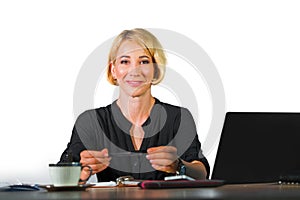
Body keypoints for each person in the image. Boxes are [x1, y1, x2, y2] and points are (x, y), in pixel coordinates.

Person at [59, 28, 210, 182]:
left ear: (156, 70)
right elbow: (62, 177)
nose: (134, 70)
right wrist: (80, 172)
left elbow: (202, 173)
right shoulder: (91, 121)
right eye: (125, 61)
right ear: (114, 70)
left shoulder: (179, 117)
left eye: (144, 61)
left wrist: (178, 165)